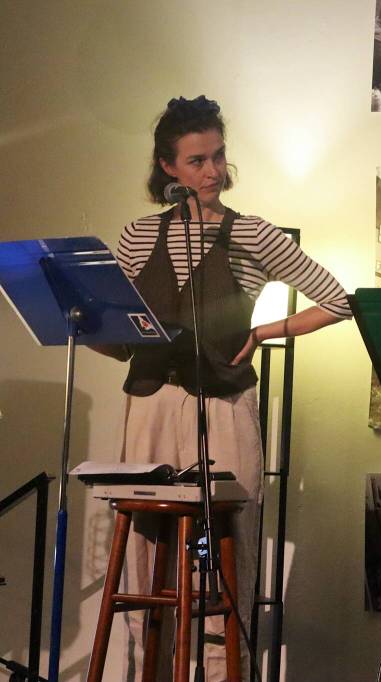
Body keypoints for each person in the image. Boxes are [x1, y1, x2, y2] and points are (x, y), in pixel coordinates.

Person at [97, 96, 350, 681]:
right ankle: (149, 672)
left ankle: (220, 673)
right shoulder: (139, 236)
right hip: (151, 403)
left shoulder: (251, 234)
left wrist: (265, 330)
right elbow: (118, 332)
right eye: (196, 162)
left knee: (219, 554)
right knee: (146, 548)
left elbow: (338, 300)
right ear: (168, 169)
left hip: (224, 406)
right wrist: (93, 331)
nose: (212, 172)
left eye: (218, 157)